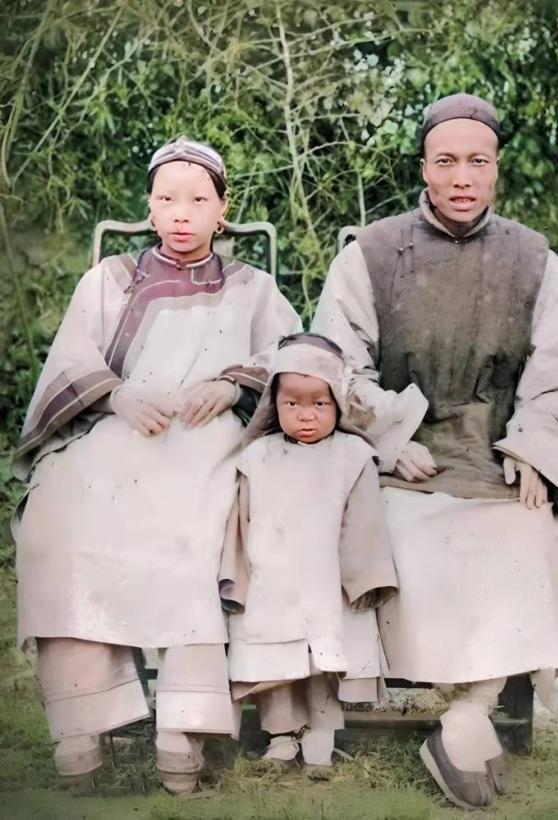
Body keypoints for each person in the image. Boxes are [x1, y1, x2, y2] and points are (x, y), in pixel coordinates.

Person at [312, 93, 558, 809]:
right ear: (424, 168)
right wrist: (389, 435)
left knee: (524, 537)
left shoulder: (536, 261)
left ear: (497, 168)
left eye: (477, 161)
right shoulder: (371, 253)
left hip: (496, 457)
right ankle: (455, 712)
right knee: (403, 535)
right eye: (446, 161)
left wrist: (534, 446)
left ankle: (470, 710)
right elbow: (334, 363)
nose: (462, 177)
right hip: (398, 458)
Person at [12, 136, 301, 794]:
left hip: (207, 444)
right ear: (149, 207)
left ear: (222, 210)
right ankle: (82, 726)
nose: (181, 213)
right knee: (59, 520)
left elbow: (291, 359)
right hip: (116, 437)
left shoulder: (252, 289)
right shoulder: (109, 280)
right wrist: (118, 394)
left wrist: (232, 383)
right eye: (167, 199)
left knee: (198, 530)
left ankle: (182, 730)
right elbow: (71, 362)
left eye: (197, 200)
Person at [219, 332, 398, 776]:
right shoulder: (257, 456)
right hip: (271, 581)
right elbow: (240, 525)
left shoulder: (352, 455)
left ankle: (320, 737)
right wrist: (237, 580)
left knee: (322, 665)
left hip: (327, 582)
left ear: (337, 403)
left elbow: (363, 525)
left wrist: (363, 580)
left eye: (319, 403)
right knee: (274, 663)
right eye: (292, 404)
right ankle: (282, 737)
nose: (305, 415)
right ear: (273, 405)